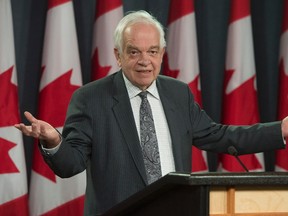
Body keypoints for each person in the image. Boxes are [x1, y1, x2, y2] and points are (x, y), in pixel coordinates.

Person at [15, 10, 288, 215]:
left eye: (152, 51)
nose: (144, 61)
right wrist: (53, 141)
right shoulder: (90, 99)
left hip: (176, 210)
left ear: (162, 54)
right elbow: (70, 164)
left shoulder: (178, 93)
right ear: (119, 55)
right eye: (134, 52)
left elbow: (218, 136)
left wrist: (280, 130)